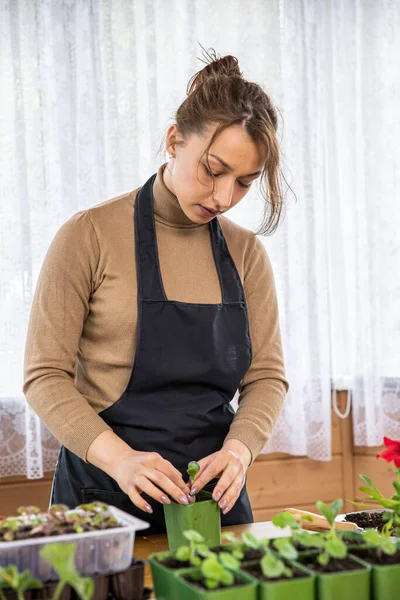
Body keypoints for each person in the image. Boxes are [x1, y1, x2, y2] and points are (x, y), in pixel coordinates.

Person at [24, 50, 289, 534]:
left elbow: (267, 377)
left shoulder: (246, 253)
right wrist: (122, 461)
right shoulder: (89, 235)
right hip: (102, 496)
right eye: (212, 169)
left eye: (244, 183)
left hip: (215, 506)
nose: (223, 196)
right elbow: (45, 376)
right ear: (173, 140)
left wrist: (239, 449)